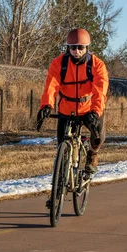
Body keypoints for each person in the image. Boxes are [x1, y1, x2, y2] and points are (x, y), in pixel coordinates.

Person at [38, 28, 109, 178]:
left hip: (89, 109)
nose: (76, 51)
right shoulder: (58, 63)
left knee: (98, 136)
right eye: (73, 47)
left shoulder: (97, 65)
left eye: (80, 47)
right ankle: (59, 187)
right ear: (68, 48)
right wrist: (46, 106)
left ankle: (92, 154)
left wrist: (96, 112)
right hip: (66, 109)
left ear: (87, 47)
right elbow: (51, 86)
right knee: (61, 148)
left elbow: (100, 91)